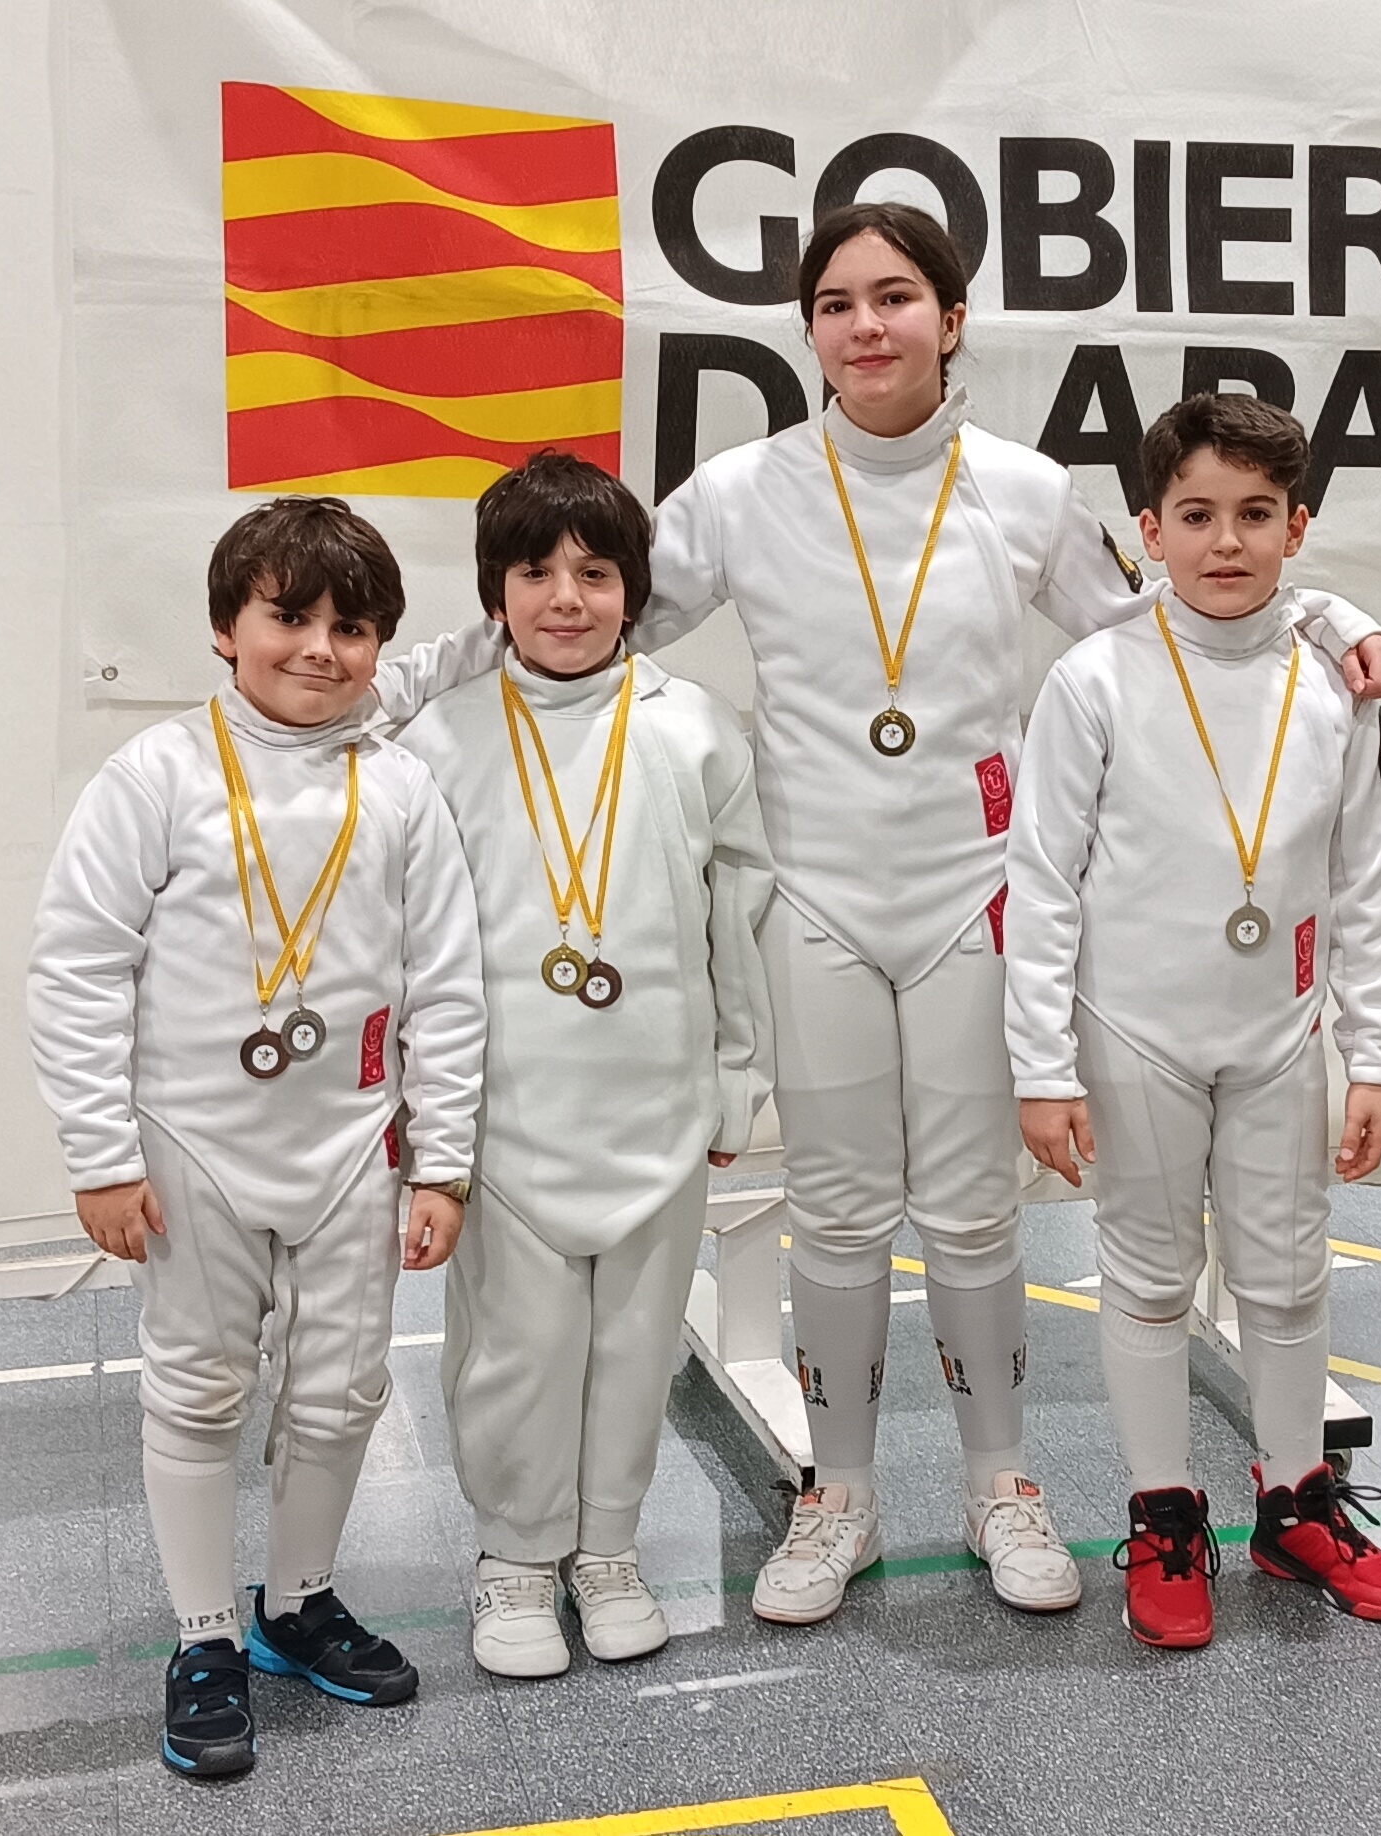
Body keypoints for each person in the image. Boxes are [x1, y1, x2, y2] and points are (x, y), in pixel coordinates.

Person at [642, 204, 1381, 1625]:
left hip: (970, 901)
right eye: (837, 303)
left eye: (896, 296)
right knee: (835, 1215)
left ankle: (1002, 1484)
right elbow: (589, 619)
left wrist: (1329, 609)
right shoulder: (739, 490)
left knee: (973, 1215)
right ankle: (840, 1495)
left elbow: (1173, 611)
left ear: (952, 317)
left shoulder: (1025, 489)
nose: (867, 325)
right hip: (814, 899)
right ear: (810, 330)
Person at [26, 496, 487, 1778]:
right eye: (290, 617)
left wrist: (443, 1160)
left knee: (342, 1389)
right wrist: (102, 1155)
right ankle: (203, 1636)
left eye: (353, 628)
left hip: (353, 1147)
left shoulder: (401, 789)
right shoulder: (157, 776)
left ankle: (297, 1604)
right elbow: (76, 970)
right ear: (227, 628)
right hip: (194, 1147)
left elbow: (448, 988)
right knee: (199, 1384)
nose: (320, 650)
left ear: (380, 643)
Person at [1006, 392, 1381, 1649]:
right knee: (1146, 1277)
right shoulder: (1094, 678)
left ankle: (1295, 1505)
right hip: (1134, 1032)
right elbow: (1041, 880)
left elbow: (1365, 880)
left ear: (1299, 526)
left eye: (1254, 514)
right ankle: (1164, 1513)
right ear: (1150, 529)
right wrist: (1041, 1066)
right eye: (1195, 515)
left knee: (1288, 1276)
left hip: (1282, 1033)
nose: (1225, 541)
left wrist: (1375, 1055)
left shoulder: (1337, 683)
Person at [395, 452, 773, 1678]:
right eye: (536, 573)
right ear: (494, 593)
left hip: (659, 1103)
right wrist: (428, 1121)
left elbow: (739, 919)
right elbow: (413, 947)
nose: (567, 598)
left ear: (633, 590)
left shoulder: (695, 729)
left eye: (596, 574)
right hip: (509, 1116)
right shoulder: (440, 739)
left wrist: (737, 1078)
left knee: (635, 1348)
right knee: (518, 1348)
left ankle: (608, 1545)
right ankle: (515, 1556)